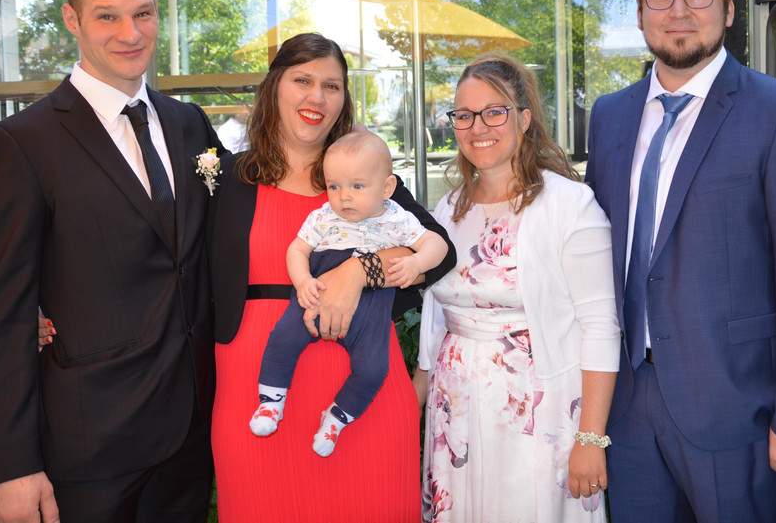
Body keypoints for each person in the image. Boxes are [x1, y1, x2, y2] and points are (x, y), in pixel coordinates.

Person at [586, 0, 776, 523]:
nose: (678, 10)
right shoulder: (609, 115)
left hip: (733, 405)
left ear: (728, 8)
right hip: (626, 405)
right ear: (641, 12)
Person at [0, 0, 223, 523]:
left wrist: (387, 223)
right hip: (89, 450)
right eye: (108, 16)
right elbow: (3, 317)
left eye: (144, 13)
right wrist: (11, 467)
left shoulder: (189, 124)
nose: (130, 34)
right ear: (72, 19)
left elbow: (241, 219)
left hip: (191, 439)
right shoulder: (21, 144)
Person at [207, 32, 456, 522]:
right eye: (302, 80)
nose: (317, 96)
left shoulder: (362, 177)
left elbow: (438, 253)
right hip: (256, 387)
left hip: (361, 387)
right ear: (274, 86)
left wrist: (359, 271)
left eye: (332, 86)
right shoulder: (229, 180)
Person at [417, 55, 619, 522]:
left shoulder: (570, 205)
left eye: (494, 111)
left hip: (535, 417)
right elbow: (434, 322)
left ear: (524, 119)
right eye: (464, 115)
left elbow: (600, 328)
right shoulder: (448, 209)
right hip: (455, 414)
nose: (478, 127)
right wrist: (410, 408)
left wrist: (590, 439)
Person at [250, 130, 448, 457]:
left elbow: (438, 245)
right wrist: (302, 281)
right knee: (282, 337)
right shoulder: (323, 217)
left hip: (373, 306)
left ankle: (337, 417)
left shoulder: (398, 219)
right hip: (319, 289)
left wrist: (417, 263)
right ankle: (271, 401)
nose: (344, 197)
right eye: (334, 186)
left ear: (387, 188)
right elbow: (297, 250)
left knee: (373, 369)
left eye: (357, 186)